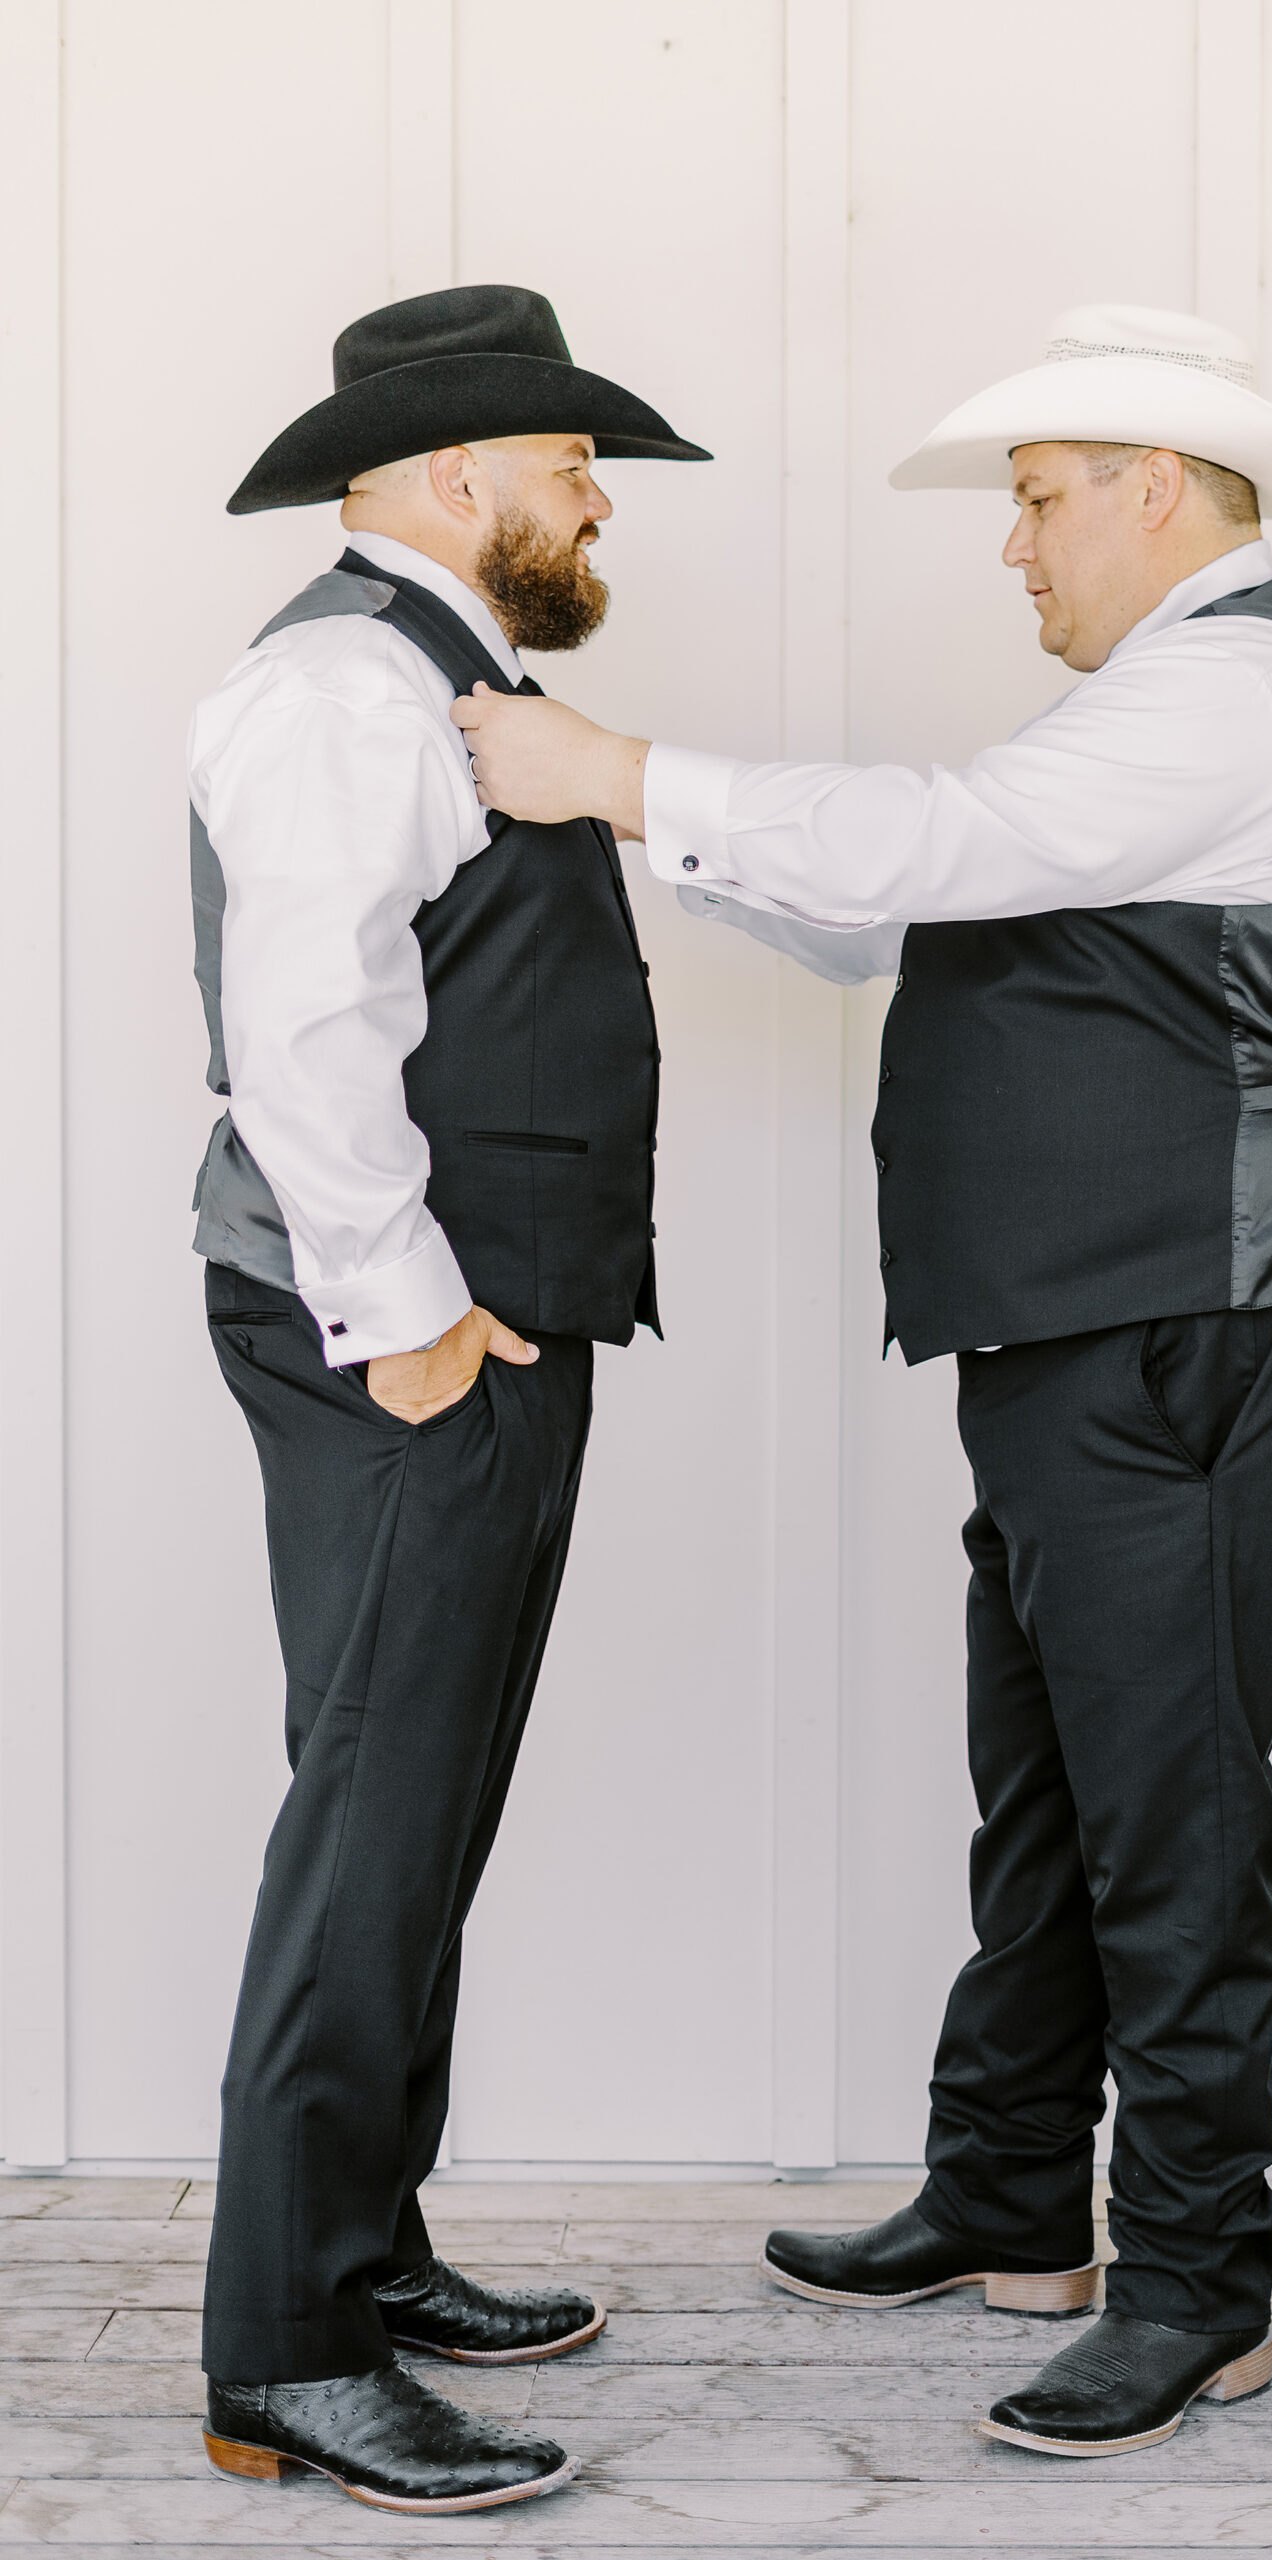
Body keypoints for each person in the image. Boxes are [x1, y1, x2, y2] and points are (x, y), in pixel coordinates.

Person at [451, 304, 1272, 2460]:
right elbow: (917, 905)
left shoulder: (1237, 687)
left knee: (1166, 1807)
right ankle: (1008, 2191)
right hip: (1096, 1323)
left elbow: (938, 846)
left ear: (1152, 490)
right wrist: (657, 826)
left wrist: (624, 774)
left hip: (1200, 1315)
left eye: (1038, 498)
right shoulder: (1161, 706)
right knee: (1053, 1780)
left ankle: (1197, 2284)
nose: (1012, 544)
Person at [187, 283, 707, 2516]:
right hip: (408, 1331)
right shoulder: (340, 684)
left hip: (481, 1318)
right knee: (375, 1817)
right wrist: (406, 1315)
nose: (599, 503)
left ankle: (366, 2250)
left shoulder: (448, 675)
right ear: (459, 469)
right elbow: (302, 1024)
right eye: (575, 464)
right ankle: (290, 2349)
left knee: (426, 1804)